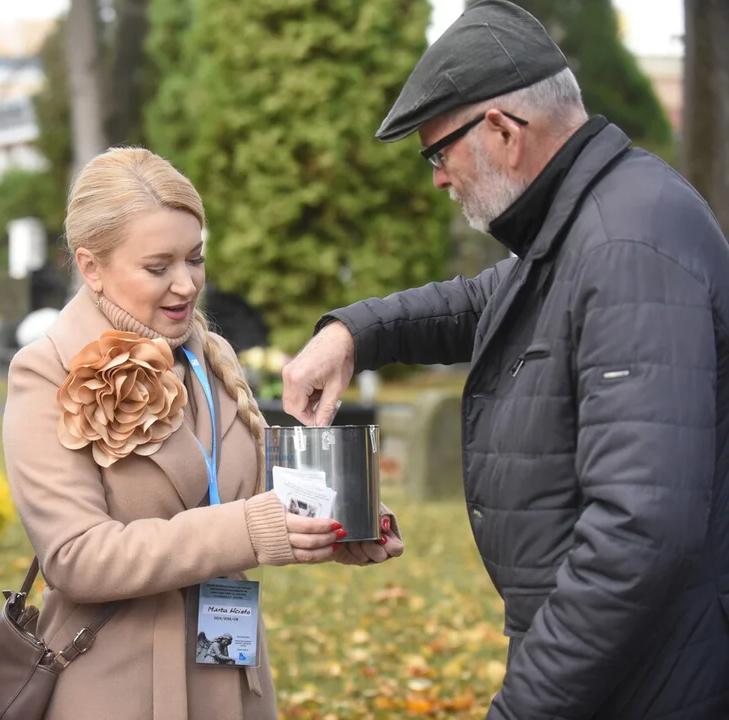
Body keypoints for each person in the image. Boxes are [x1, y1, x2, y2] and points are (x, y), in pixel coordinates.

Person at [282, 1, 729, 717]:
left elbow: (637, 534)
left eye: (438, 153)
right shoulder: (579, 221)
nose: (436, 178)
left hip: (646, 676)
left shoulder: (626, 243)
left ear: (500, 129)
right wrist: (352, 334)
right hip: (608, 661)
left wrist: (525, 706)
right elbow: (481, 302)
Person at [1, 147, 404, 720]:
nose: (186, 284)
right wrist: (251, 529)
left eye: (196, 258)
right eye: (158, 266)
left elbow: (255, 492)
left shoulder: (211, 356)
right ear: (91, 267)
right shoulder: (46, 371)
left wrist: (343, 522)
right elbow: (76, 556)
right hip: (119, 689)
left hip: (231, 678)